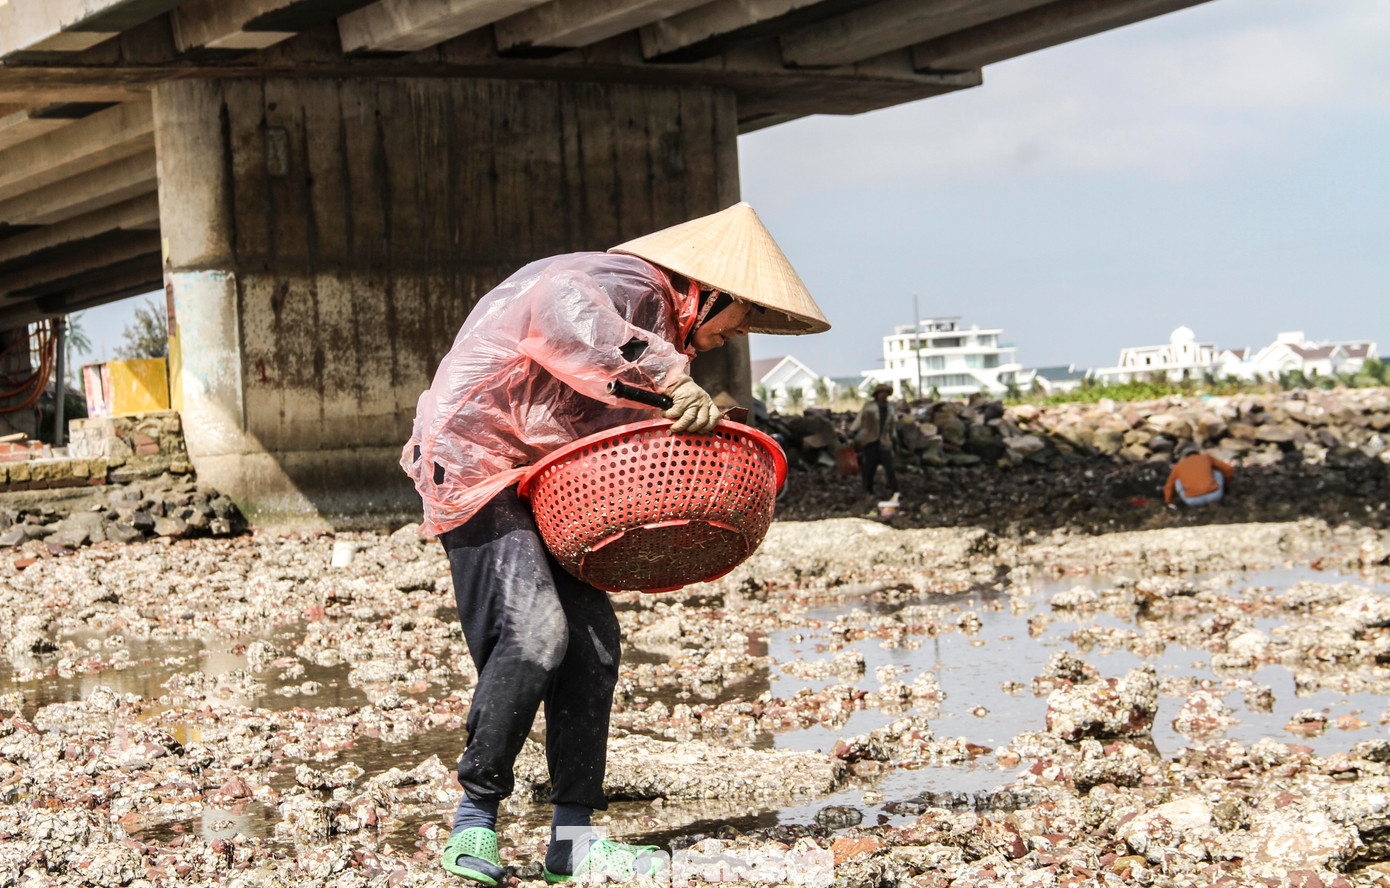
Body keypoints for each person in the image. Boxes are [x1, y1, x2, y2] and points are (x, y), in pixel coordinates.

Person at [402, 203, 829, 885]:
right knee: (534, 636)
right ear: (708, 291)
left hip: (549, 477)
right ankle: (473, 823)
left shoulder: (661, 325)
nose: (729, 338)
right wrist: (673, 380)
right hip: (476, 464)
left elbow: (600, 408)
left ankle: (572, 840)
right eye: (737, 321)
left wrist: (686, 411)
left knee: (595, 646)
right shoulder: (630, 283)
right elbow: (558, 307)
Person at [852, 383, 899, 497]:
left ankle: (895, 491)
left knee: (889, 467)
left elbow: (892, 426)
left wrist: (894, 439)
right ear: (876, 395)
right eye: (881, 393)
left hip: (884, 440)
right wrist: (852, 432)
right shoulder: (869, 407)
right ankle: (868, 489)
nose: (883, 395)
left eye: (885, 393)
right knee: (870, 467)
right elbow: (859, 420)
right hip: (870, 440)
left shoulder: (890, 409)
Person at [1164, 443, 1234, 508]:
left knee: (1177, 481)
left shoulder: (1178, 466)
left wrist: (1169, 502)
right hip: (1215, 496)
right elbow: (1228, 469)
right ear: (1197, 453)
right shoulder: (1206, 457)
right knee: (1217, 472)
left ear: (1183, 457)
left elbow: (1169, 486)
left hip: (1192, 501)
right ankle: (1215, 502)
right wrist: (1227, 484)